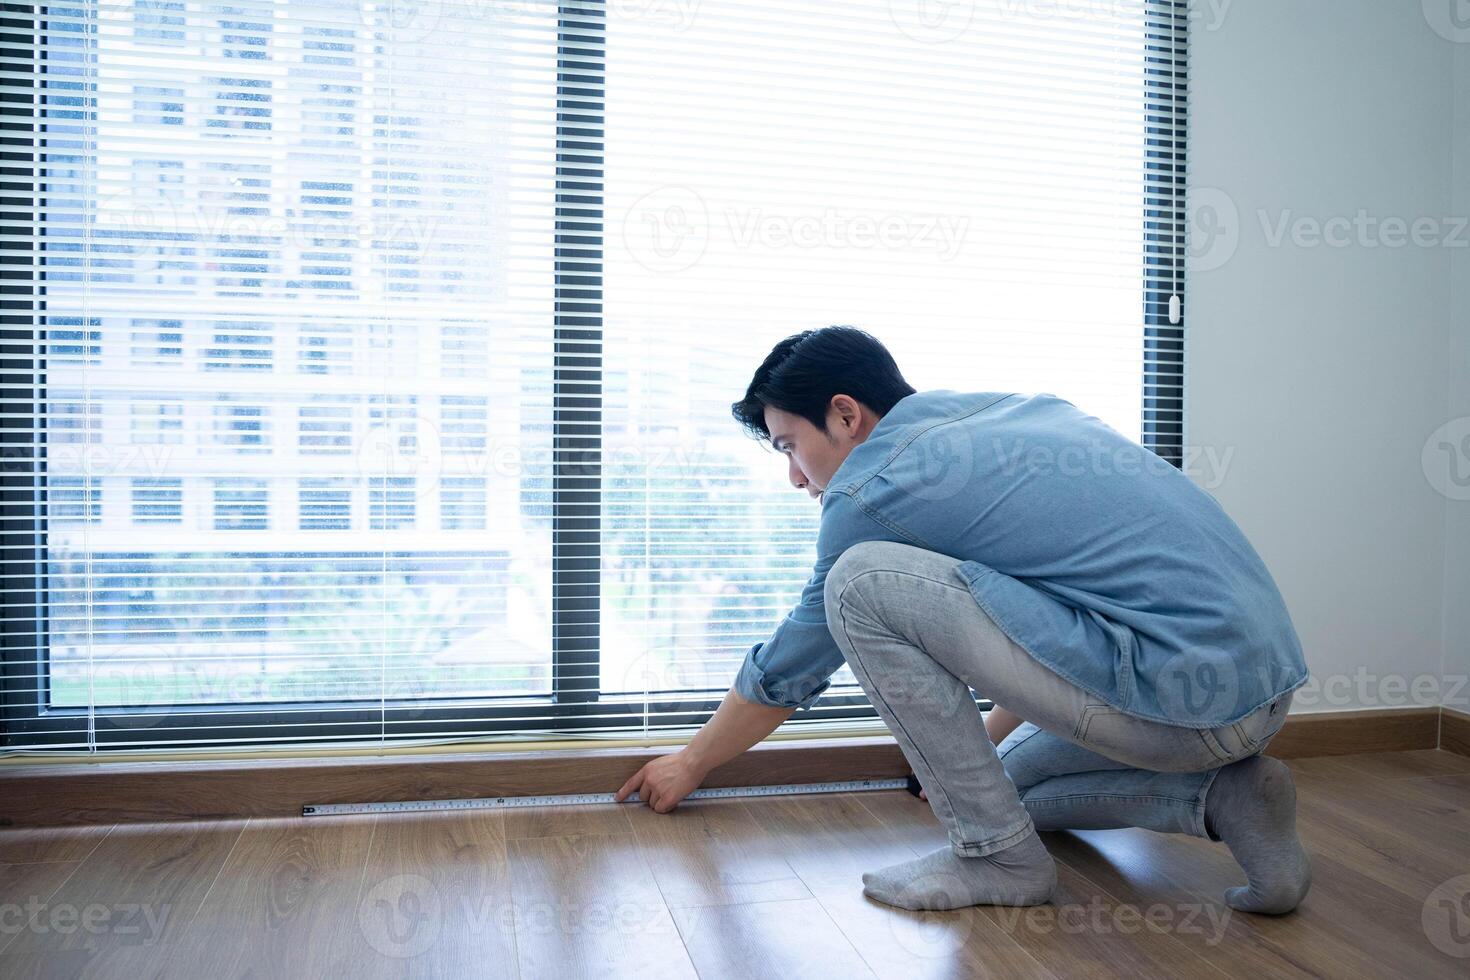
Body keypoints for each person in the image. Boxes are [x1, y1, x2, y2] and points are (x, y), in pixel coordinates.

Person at [615, 326, 1312, 915]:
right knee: (1003, 789)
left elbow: (797, 660)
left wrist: (690, 761)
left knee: (859, 584)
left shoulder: (872, 490)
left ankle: (999, 862)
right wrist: (973, 754)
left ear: (845, 414)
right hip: (1255, 691)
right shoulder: (1006, 415)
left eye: (788, 445)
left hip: (1174, 699)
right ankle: (1228, 798)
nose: (795, 477)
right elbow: (1044, 609)